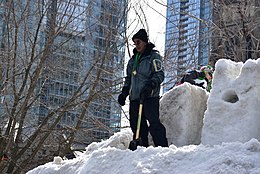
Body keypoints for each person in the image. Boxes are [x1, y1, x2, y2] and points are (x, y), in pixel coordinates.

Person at [118, 29, 168, 148]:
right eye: (135, 42)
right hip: (135, 98)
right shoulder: (133, 61)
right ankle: (141, 147)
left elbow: (159, 74)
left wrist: (150, 85)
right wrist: (124, 92)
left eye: (138, 42)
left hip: (149, 96)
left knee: (154, 123)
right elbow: (129, 78)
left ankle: (162, 147)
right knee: (136, 125)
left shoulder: (153, 57)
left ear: (145, 42)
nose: (136, 45)